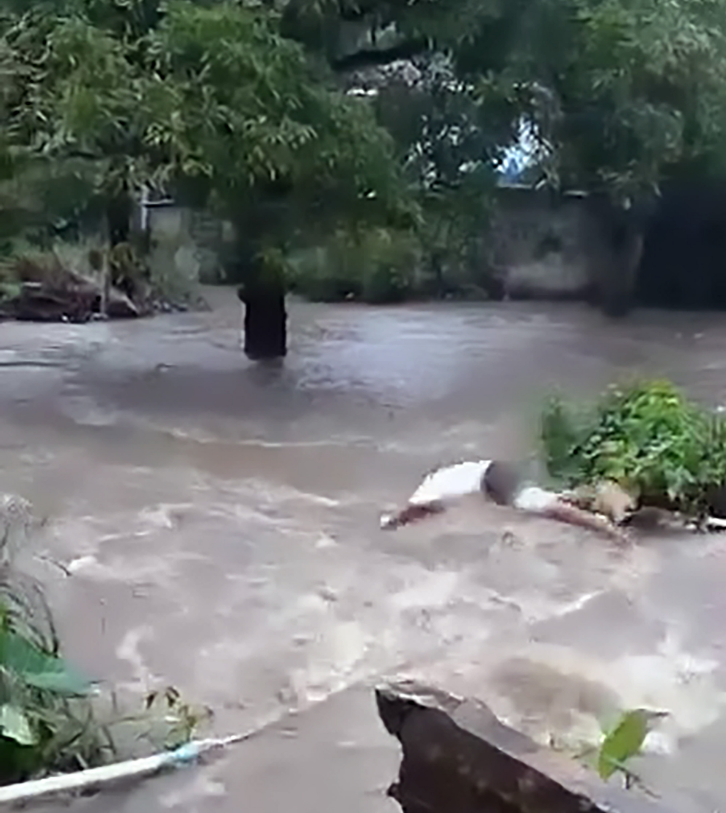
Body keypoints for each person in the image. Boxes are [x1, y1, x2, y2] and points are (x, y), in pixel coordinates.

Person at [379, 459, 630, 542]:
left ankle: (611, 533)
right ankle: (596, 498)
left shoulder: (426, 493)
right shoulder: (441, 479)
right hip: (495, 469)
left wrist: (390, 523)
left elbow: (410, 512)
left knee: (550, 510)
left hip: (490, 480)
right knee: (541, 500)